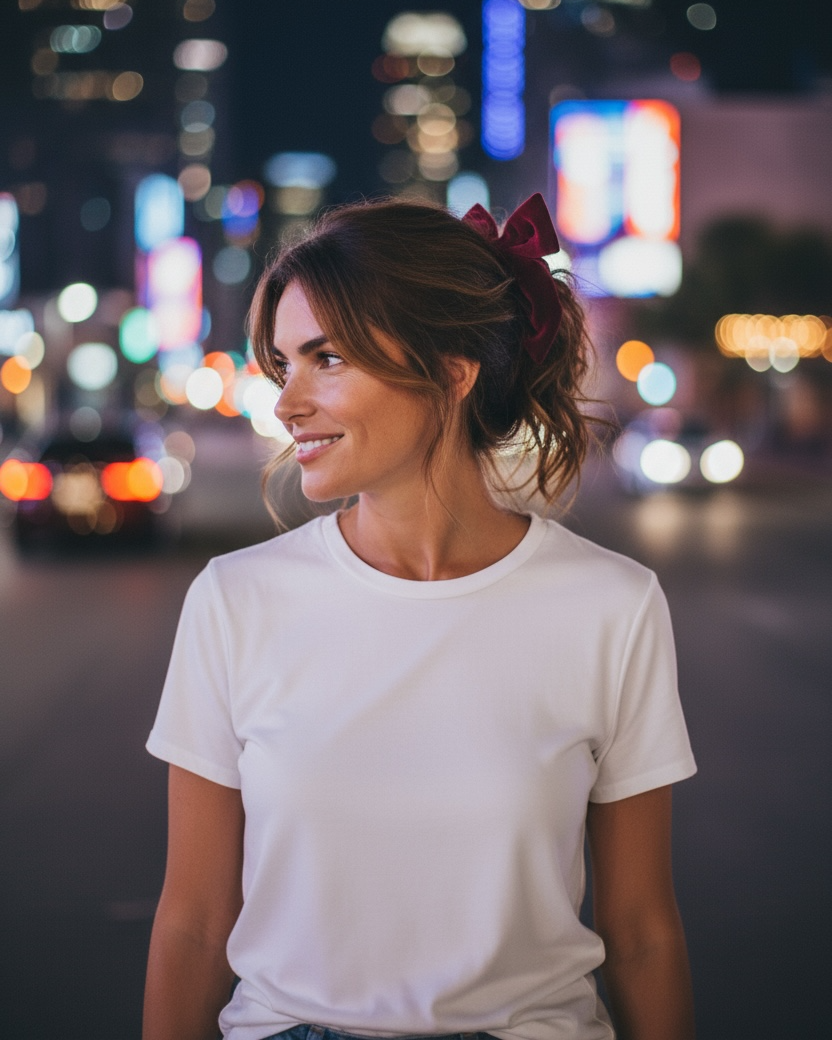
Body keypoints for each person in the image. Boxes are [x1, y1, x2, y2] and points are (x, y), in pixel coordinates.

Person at [143, 193, 697, 1040]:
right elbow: (192, 924)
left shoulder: (612, 607)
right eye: (284, 365)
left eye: (327, 358)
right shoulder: (234, 600)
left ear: (451, 370)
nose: (287, 403)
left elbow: (643, 934)